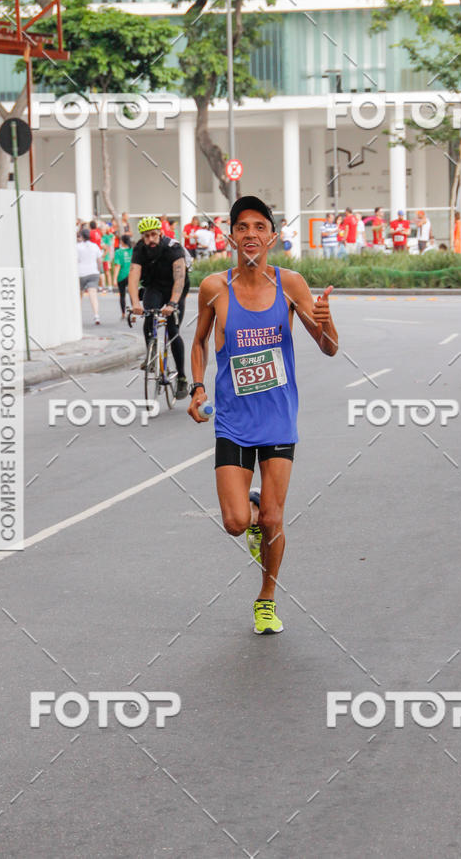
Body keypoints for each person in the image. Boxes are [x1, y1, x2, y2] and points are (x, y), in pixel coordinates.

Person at [188, 195, 338, 635]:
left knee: (275, 518)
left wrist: (326, 322)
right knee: (237, 524)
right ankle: (251, 510)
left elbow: (328, 348)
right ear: (231, 235)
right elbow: (197, 343)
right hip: (233, 419)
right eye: (242, 227)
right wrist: (197, 388)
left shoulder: (290, 284)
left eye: (259, 226)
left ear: (272, 236)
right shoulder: (215, 288)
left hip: (277, 418)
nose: (251, 234)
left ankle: (266, 599)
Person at [128, 216, 190, 399]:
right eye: (146, 236)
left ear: (160, 233)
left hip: (175, 288)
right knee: (149, 315)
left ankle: (182, 378)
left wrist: (172, 303)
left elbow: (179, 279)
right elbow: (133, 276)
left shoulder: (173, 248)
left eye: (154, 235)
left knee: (172, 330)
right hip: (154, 286)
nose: (150, 240)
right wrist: (135, 304)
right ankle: (152, 354)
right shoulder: (140, 248)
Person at [77, 227, 102, 325]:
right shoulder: (95, 246)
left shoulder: (77, 247)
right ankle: (96, 316)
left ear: (81, 236)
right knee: (93, 295)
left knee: (79, 295)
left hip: (81, 273)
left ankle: (77, 316)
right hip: (93, 272)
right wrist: (98, 270)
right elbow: (99, 260)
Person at [113, 234, 132, 319]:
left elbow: (117, 266)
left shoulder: (118, 252)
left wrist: (114, 278)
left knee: (122, 295)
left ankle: (124, 313)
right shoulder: (132, 250)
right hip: (131, 275)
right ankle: (134, 310)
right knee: (132, 294)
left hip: (122, 276)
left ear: (122, 242)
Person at [101, 223, 114, 290]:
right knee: (101, 272)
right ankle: (101, 286)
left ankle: (110, 286)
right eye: (101, 229)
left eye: (104, 230)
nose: (102, 231)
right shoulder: (100, 237)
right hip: (101, 257)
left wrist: (104, 255)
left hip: (106, 257)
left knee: (107, 272)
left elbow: (108, 247)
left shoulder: (107, 237)